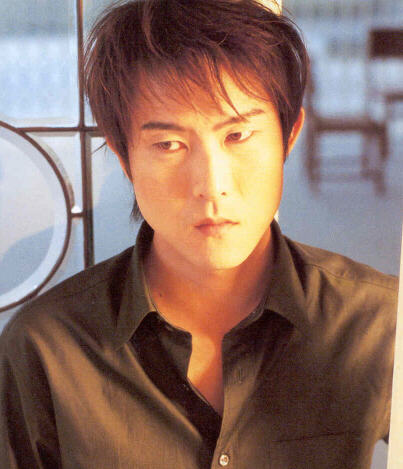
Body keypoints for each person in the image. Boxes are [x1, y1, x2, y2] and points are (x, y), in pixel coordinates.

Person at [0, 0, 398, 468]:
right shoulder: (45, 348)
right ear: (124, 158)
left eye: (237, 136)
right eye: (169, 144)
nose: (211, 185)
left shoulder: (380, 322)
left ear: (289, 136)